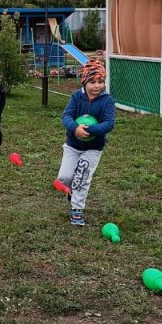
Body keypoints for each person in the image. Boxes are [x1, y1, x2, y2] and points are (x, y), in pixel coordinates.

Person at [58, 60, 116, 226]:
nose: (97, 86)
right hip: (72, 145)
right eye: (92, 82)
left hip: (93, 148)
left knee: (82, 177)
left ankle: (77, 209)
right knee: (65, 177)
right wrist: (75, 128)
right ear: (84, 81)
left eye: (100, 81)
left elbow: (109, 124)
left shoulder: (107, 100)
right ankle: (71, 191)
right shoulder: (77, 96)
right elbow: (66, 116)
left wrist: (90, 129)